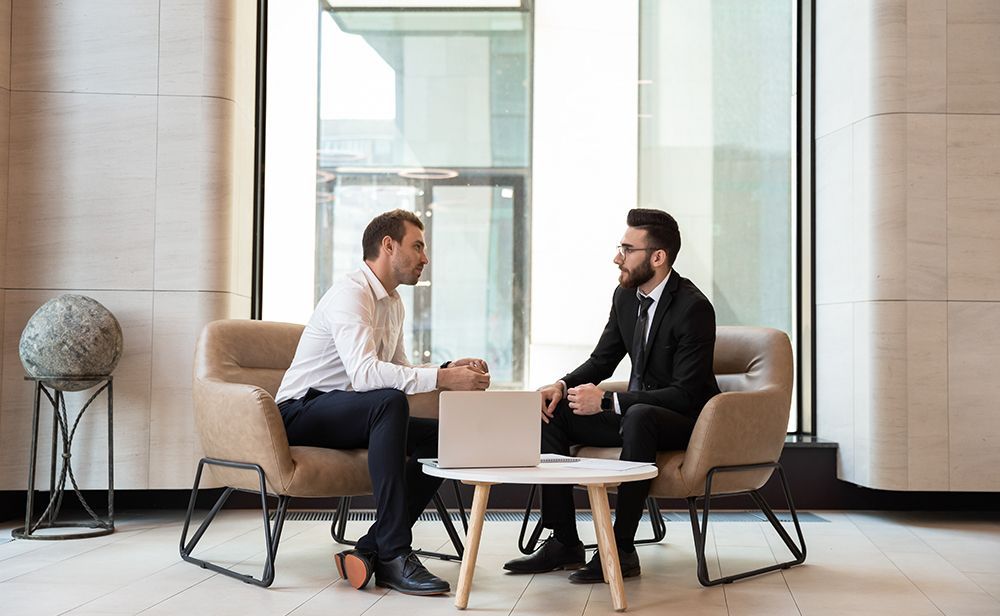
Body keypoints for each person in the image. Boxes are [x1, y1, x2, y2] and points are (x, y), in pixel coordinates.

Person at [275, 209, 490, 596]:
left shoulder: (392, 302)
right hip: (300, 410)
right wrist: (443, 379)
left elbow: (398, 369)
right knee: (388, 402)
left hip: (352, 412)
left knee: (443, 439)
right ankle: (394, 552)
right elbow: (367, 376)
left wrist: (445, 369)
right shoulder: (351, 293)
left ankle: (373, 547)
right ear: (388, 246)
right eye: (418, 246)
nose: (425, 258)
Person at [503, 208, 720, 583]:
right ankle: (564, 541)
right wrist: (561, 385)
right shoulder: (625, 298)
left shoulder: (694, 308)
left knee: (639, 416)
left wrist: (607, 401)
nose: (617, 257)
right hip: (636, 415)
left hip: (682, 421)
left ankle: (619, 548)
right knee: (553, 412)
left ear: (657, 257)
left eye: (626, 248)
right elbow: (602, 361)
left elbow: (685, 394)